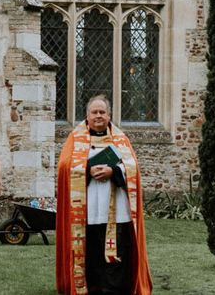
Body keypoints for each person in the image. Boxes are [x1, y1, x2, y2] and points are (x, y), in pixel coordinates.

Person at [55, 95, 152, 295]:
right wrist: (87, 169)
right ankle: (91, 286)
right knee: (91, 249)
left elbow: (133, 169)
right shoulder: (75, 139)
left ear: (109, 116)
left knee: (117, 249)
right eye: (94, 112)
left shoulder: (120, 140)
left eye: (102, 112)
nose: (98, 116)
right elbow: (65, 167)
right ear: (87, 116)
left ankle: (114, 288)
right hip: (87, 208)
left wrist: (113, 172)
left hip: (117, 209)